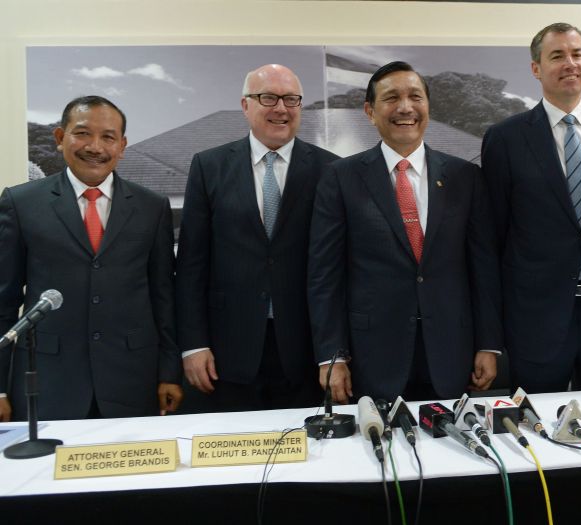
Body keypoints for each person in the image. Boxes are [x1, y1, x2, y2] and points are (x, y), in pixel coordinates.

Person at [308, 61, 503, 403]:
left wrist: (489, 344)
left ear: (428, 106)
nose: (405, 107)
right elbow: (325, 275)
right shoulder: (340, 178)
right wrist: (332, 355)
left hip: (451, 354)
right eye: (391, 97)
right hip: (372, 358)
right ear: (370, 111)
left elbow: (482, 268)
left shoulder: (465, 177)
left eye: (415, 96)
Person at [0, 96, 181, 421]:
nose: (95, 146)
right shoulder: (22, 203)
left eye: (108, 137)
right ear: (60, 138)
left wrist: (170, 371)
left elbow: (163, 296)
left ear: (122, 145)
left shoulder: (151, 208)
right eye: (82, 133)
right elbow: (3, 300)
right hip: (49, 379)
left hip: (132, 379)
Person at [481, 23, 581, 392]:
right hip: (536, 318)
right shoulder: (505, 139)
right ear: (536, 68)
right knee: (538, 428)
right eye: (557, 56)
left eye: (577, 54)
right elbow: (495, 234)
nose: (570, 63)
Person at [176, 64, 339, 411]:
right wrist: (193, 344)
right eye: (268, 97)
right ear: (245, 104)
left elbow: (339, 270)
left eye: (292, 99)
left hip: (306, 350)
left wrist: (336, 352)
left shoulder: (332, 170)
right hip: (225, 351)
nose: (281, 108)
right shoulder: (209, 166)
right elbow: (191, 264)